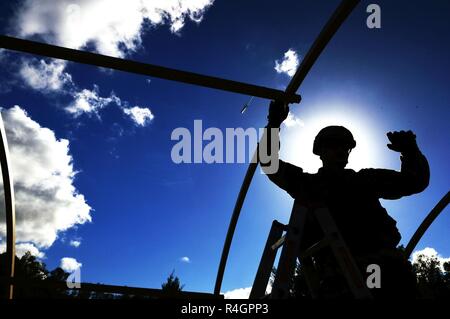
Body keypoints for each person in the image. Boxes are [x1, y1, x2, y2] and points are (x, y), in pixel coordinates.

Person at [261, 100, 430, 298]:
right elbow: (268, 163)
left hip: (388, 269)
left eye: (345, 147)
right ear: (320, 151)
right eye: (333, 145)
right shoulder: (307, 184)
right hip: (341, 277)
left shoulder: (366, 179)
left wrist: (410, 151)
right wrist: (273, 124)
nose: (341, 150)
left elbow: (415, 182)